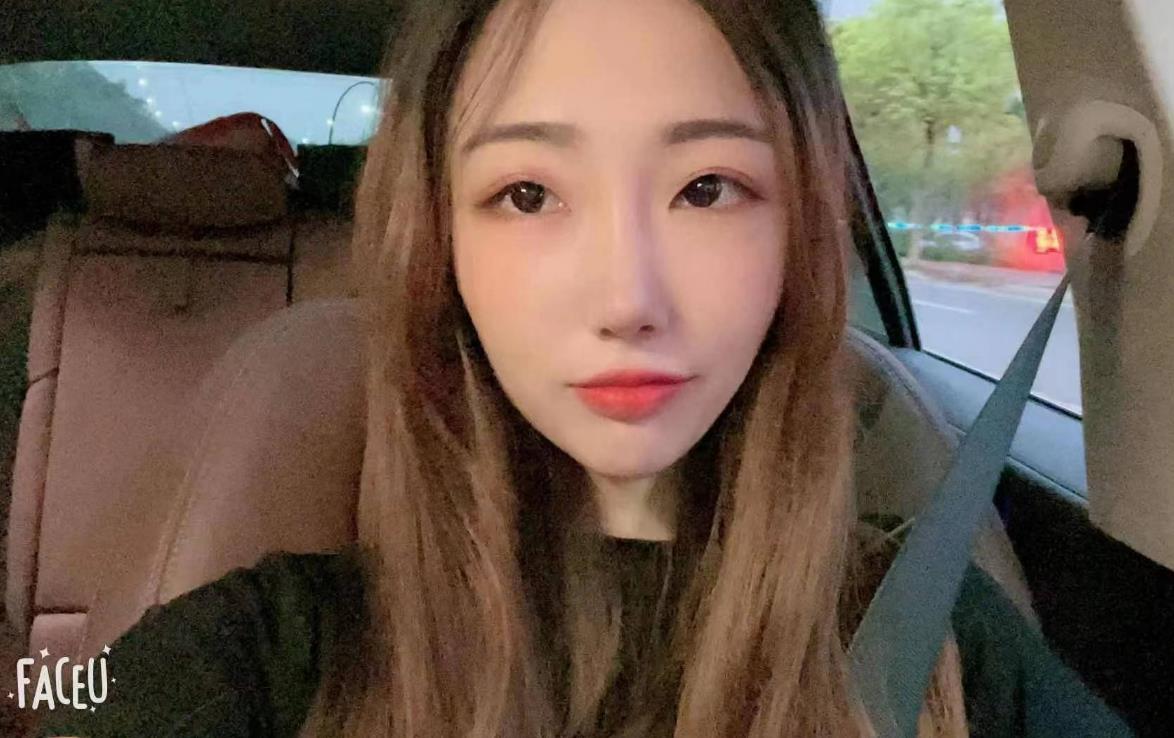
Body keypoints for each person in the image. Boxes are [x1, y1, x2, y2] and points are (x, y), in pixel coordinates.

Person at [38, 0, 1135, 736]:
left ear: (797, 229)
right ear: (441, 247)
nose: (627, 299)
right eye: (527, 195)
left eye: (707, 188)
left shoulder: (936, 642)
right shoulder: (262, 659)